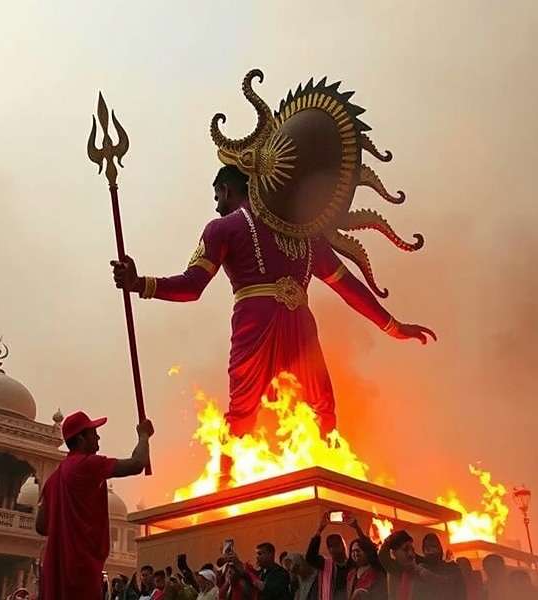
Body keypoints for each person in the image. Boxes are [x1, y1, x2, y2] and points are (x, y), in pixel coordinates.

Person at [111, 165, 435, 481]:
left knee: (245, 411)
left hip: (256, 322)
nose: (216, 205)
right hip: (299, 326)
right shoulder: (306, 236)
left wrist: (140, 283)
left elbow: (192, 285)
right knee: (321, 406)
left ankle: (230, 480)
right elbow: (348, 288)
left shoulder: (224, 228)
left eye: (216, 197)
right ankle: (313, 473)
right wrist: (392, 326)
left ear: (226, 189)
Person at [36, 410, 154, 600]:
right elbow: (137, 463)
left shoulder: (53, 479)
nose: (98, 436)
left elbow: (41, 526)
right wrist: (144, 435)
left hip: (55, 569)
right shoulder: (87, 465)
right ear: (81, 438)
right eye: (93, 432)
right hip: (81, 568)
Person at [305, 511, 354, 600]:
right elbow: (310, 557)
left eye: (336, 545)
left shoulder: (352, 563)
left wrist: (356, 527)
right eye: (330, 546)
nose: (333, 549)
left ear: (343, 546)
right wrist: (320, 529)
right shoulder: (325, 564)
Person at [378, 530, 435, 599]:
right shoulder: (395, 569)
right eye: (405, 549)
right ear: (394, 553)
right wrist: (388, 540)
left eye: (412, 549)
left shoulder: (420, 569)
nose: (411, 554)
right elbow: (382, 555)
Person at [343, 514, 386, 600]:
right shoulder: (351, 574)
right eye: (353, 551)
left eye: (358, 551)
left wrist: (357, 528)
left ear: (367, 552)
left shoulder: (376, 571)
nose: (355, 554)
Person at [418, 533, 465, 600]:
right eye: (427, 548)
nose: (430, 551)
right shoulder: (420, 570)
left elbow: (461, 593)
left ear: (440, 548)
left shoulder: (452, 569)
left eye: (434, 546)